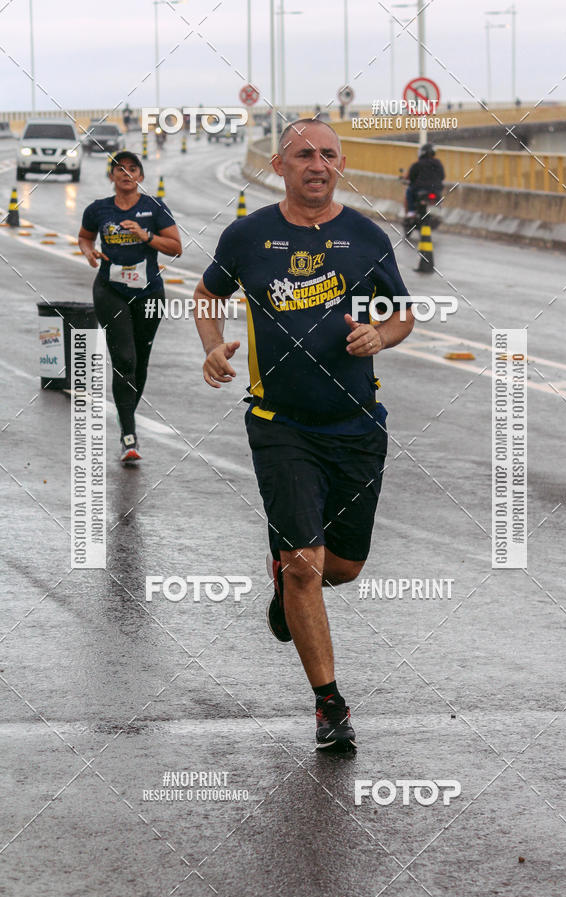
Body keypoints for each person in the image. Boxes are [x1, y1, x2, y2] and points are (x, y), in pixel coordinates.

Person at [193, 119, 414, 752]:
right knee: (303, 568)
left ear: (341, 164)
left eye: (328, 155)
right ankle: (330, 706)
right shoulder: (249, 235)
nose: (317, 164)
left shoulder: (363, 236)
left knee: (340, 569)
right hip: (279, 425)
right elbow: (206, 295)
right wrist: (213, 348)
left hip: (356, 426)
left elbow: (402, 312)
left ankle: (288, 585)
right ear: (279, 164)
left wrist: (382, 335)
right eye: (302, 154)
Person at [78, 150, 182, 462]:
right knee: (124, 358)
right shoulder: (98, 209)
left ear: (141, 176)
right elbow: (84, 237)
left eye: (132, 168)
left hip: (149, 292)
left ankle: (127, 419)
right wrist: (89, 251)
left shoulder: (153, 208)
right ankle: (129, 435)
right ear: (111, 176)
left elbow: (176, 248)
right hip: (111, 290)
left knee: (140, 361)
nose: (126, 174)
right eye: (119, 169)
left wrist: (146, 236)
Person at [404, 142, 445, 217]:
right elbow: (442, 176)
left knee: (409, 191)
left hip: (420, 188)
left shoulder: (418, 164)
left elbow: (411, 177)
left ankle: (411, 212)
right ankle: (439, 212)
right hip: (436, 189)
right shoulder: (438, 163)